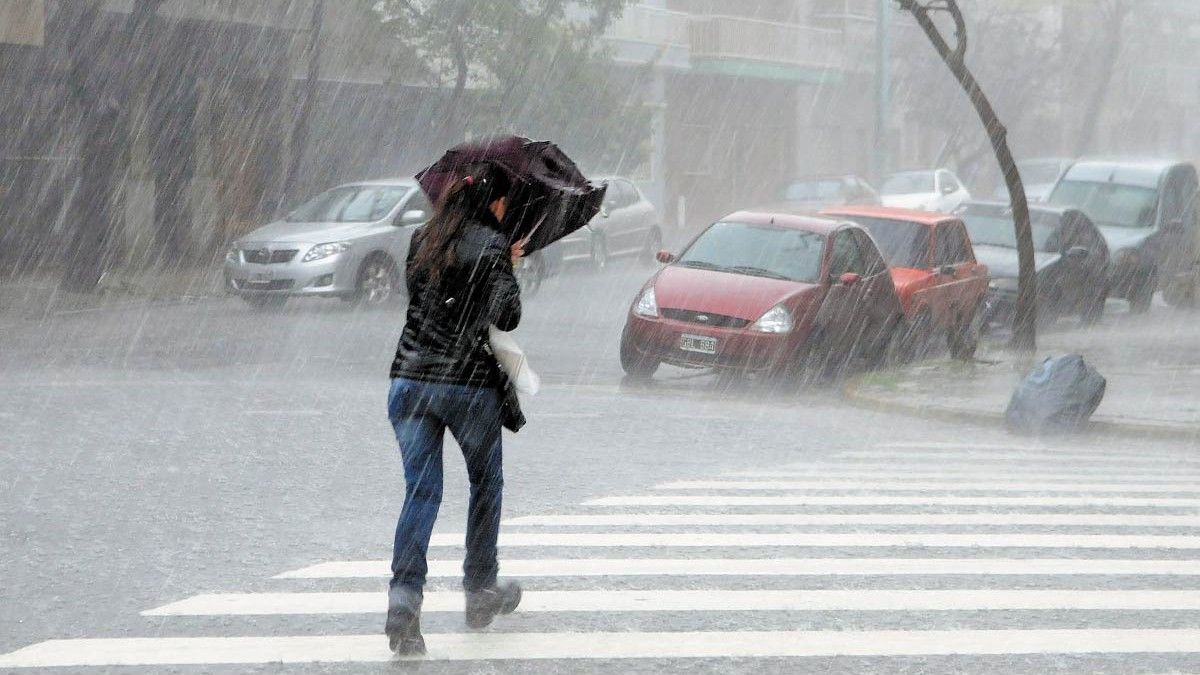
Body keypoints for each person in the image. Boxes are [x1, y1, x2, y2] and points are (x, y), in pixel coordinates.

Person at [385, 161, 524, 655]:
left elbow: (424, 301)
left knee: (420, 495)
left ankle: (403, 602)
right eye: (506, 201)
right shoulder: (491, 244)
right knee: (486, 483)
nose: (507, 209)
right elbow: (506, 314)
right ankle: (480, 589)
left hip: (408, 381)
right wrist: (506, 262)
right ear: (492, 201)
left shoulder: (421, 238)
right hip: (466, 386)